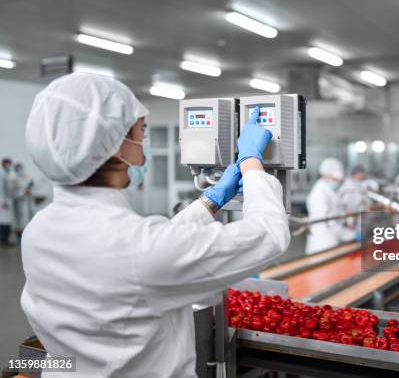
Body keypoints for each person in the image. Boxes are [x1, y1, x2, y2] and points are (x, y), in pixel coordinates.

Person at [20, 74, 290, 377]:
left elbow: (149, 252)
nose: (143, 146)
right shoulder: (139, 248)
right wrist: (252, 164)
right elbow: (268, 234)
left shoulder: (38, 230)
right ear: (116, 147)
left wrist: (210, 202)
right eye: (140, 133)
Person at [305, 158, 354, 255]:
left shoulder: (328, 190)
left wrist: (345, 216)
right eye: (335, 179)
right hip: (322, 244)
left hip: (331, 241)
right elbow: (330, 222)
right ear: (325, 175)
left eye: (338, 180)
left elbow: (334, 212)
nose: (336, 182)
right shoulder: (319, 194)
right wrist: (350, 235)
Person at [10, 162, 35, 241]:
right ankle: (19, 239)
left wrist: (30, 190)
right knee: (19, 222)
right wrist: (23, 193)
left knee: (29, 220)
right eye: (18, 168)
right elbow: (13, 193)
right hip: (18, 204)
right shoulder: (13, 179)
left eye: (21, 168)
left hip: (27, 202)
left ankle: (28, 237)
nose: (21, 170)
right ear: (16, 169)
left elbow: (31, 186)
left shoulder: (26, 177)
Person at [1, 158, 14, 247]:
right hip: (3, 201)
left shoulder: (7, 173)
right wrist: (3, 201)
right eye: (7, 163)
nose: (8, 165)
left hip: (7, 200)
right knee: (4, 221)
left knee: (7, 221)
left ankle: (5, 240)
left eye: (9, 163)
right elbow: (1, 188)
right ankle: (3, 241)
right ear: (3, 164)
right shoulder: (1, 174)